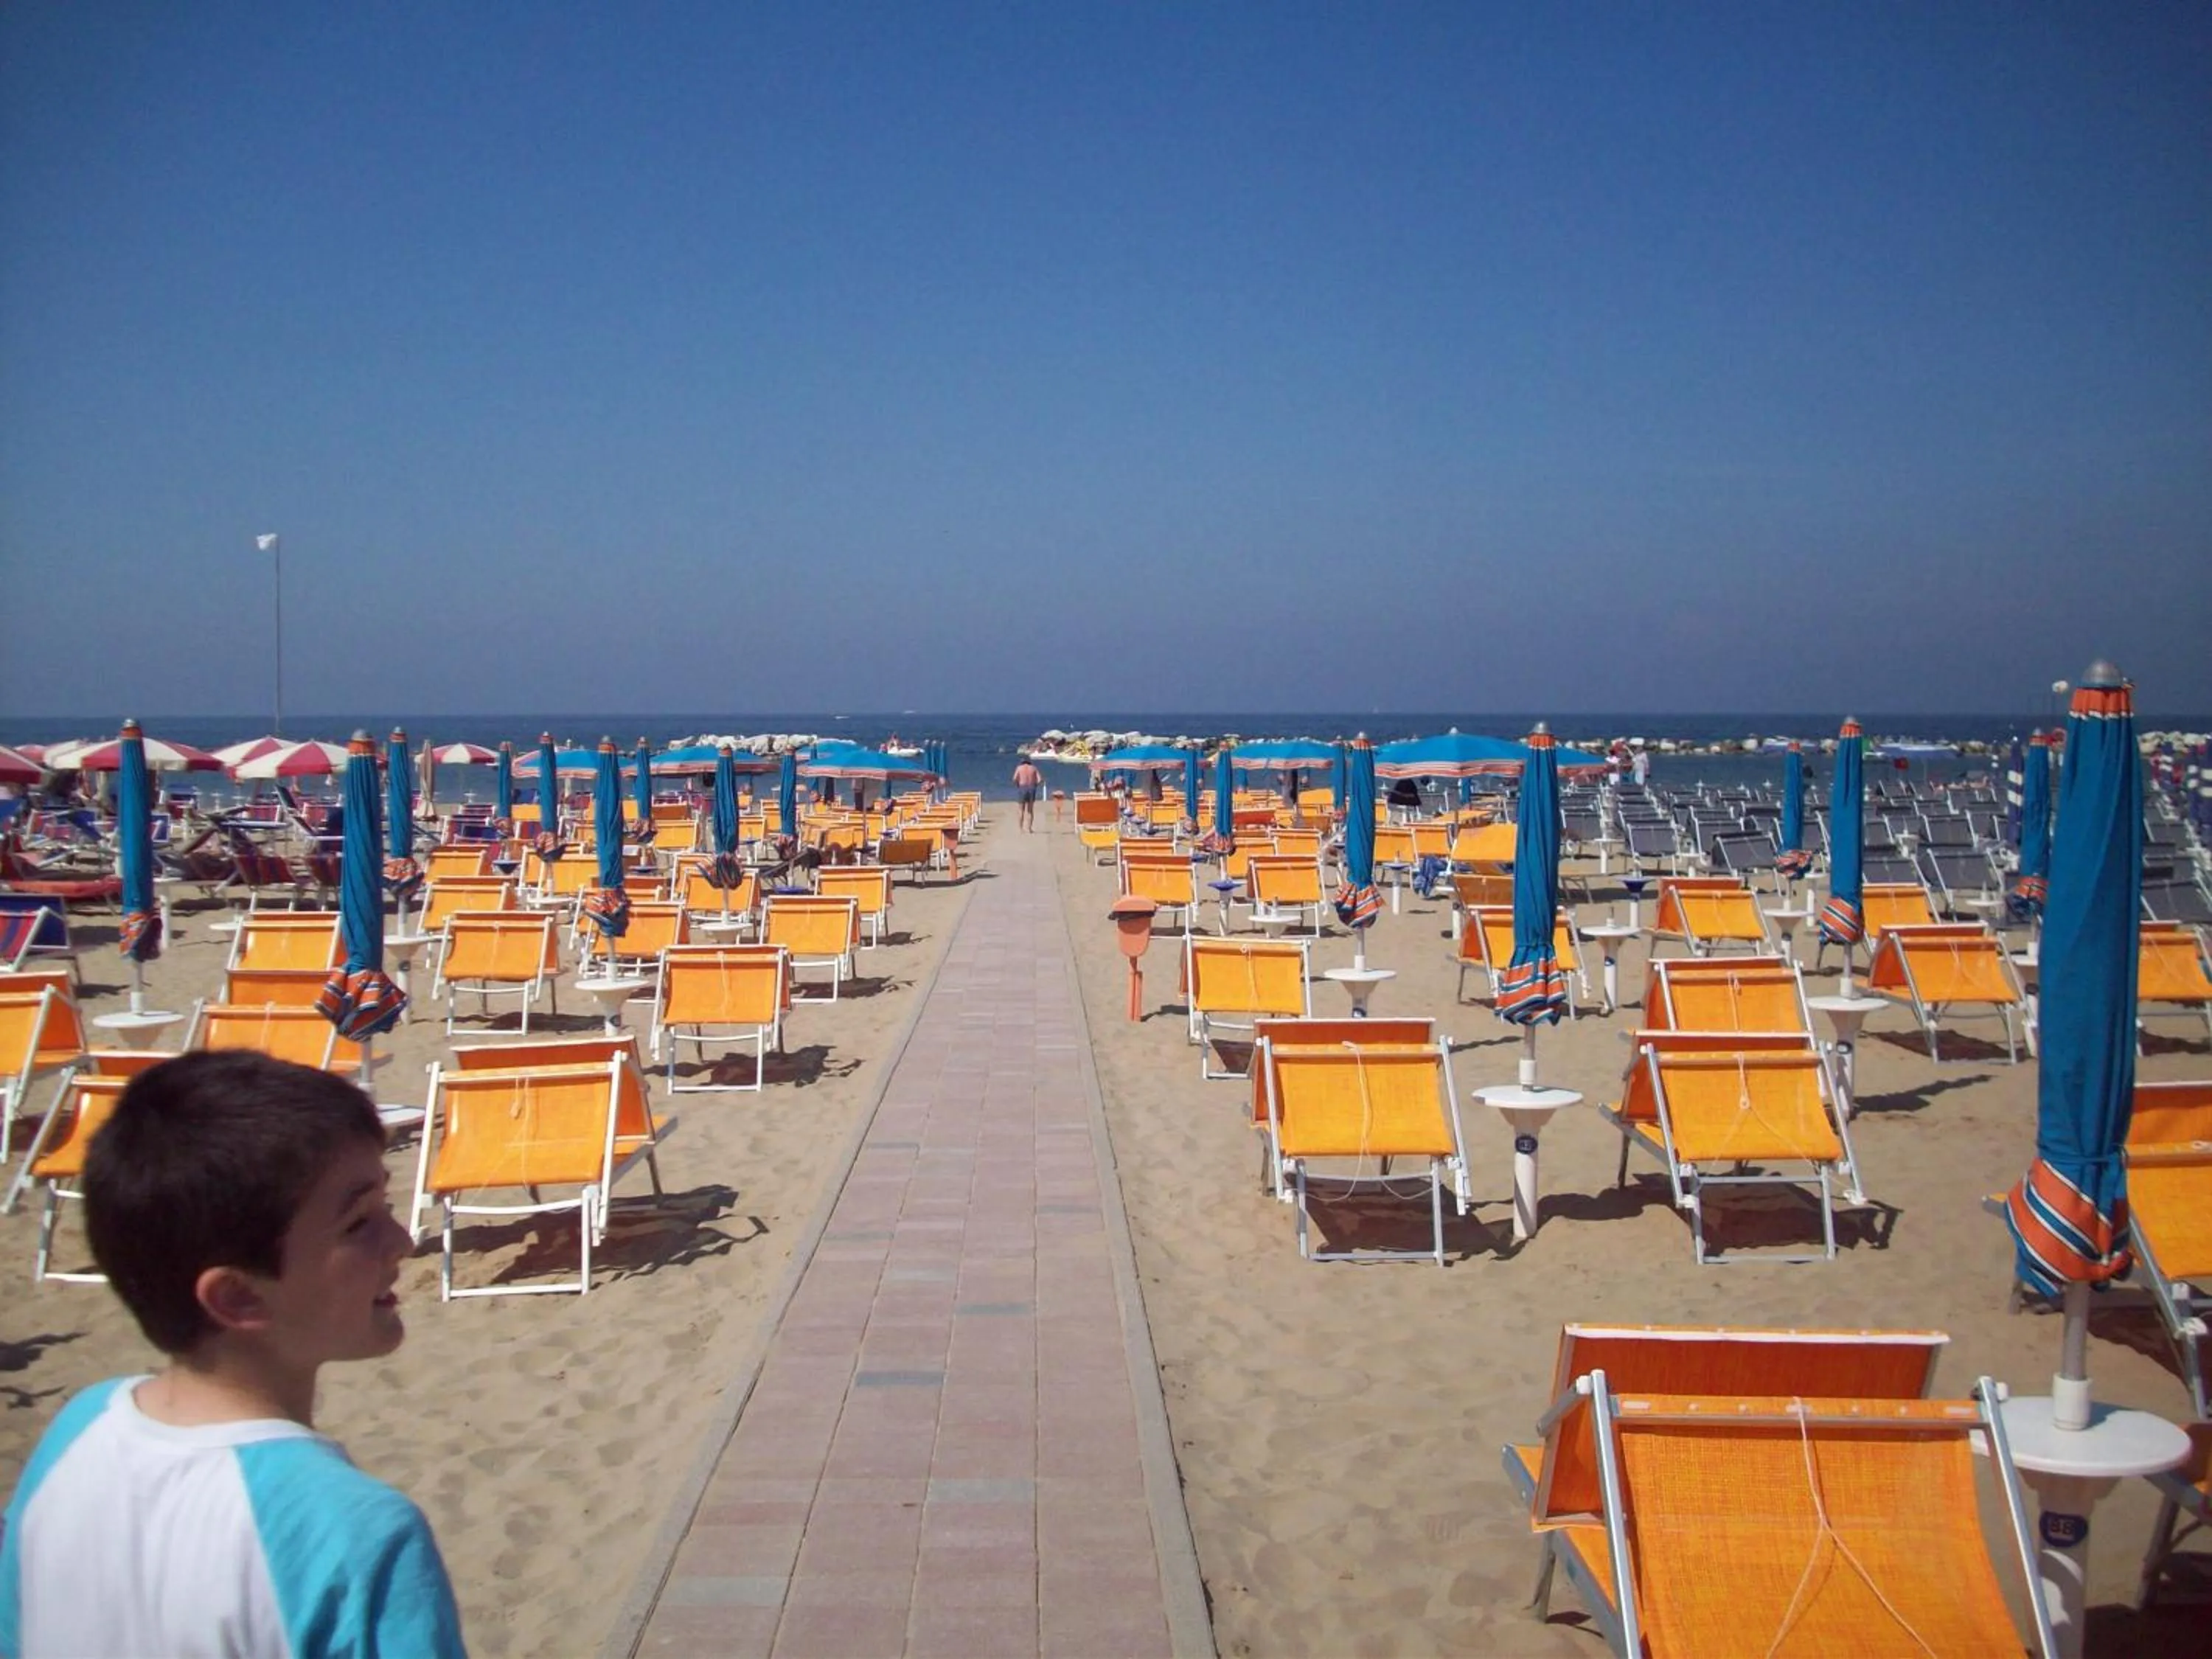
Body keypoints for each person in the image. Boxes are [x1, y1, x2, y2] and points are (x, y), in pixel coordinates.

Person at [0, 1051, 465, 1658]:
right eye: (357, 1223)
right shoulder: (356, 1535)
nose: (401, 1241)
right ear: (238, 1296)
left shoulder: (77, 1433)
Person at [1012, 757, 1044, 832]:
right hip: (1031, 788)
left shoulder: (1019, 768)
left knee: (1021, 810)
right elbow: (1040, 779)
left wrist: (1018, 785)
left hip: (1022, 788)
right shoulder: (1033, 768)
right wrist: (1035, 785)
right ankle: (1029, 828)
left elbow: (1014, 779)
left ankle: (1021, 828)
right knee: (1030, 810)